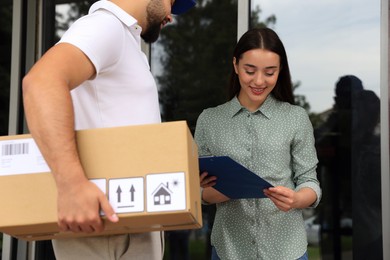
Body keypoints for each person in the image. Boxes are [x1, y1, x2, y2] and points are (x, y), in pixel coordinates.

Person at [22, 0, 196, 259]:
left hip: (125, 218)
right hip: (106, 223)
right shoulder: (106, 26)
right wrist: (71, 185)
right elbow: (40, 82)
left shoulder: (125, 39)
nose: (171, 16)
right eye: (172, 3)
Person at [196, 28, 321, 260]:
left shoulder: (295, 117)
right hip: (229, 250)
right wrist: (214, 191)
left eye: (270, 72)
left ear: (280, 71)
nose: (259, 81)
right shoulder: (210, 120)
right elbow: (198, 192)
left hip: (287, 250)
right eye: (250, 71)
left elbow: (310, 182)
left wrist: (296, 199)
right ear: (235, 65)